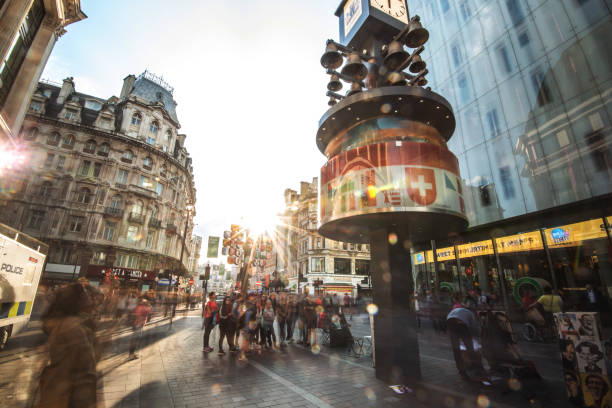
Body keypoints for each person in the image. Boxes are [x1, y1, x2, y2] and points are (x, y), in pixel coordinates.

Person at [35, 282, 98, 408]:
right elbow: (86, 363)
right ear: (77, 301)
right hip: (71, 393)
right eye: (86, 295)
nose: (91, 298)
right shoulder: (73, 327)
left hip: (60, 388)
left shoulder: (66, 323)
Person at [446, 303, 484, 381]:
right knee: (470, 347)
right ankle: (477, 368)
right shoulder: (470, 313)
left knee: (456, 350)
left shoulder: (456, 310)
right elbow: (474, 328)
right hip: (461, 324)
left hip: (450, 322)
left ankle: (462, 373)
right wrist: (478, 339)